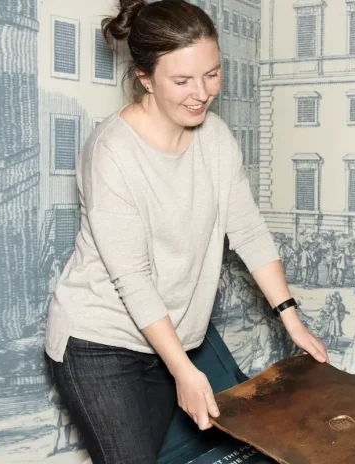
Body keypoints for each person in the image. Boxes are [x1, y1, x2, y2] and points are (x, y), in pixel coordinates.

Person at [43, 1, 329, 463]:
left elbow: (249, 232)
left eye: (211, 74)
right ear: (144, 77)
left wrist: (291, 319)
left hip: (167, 340)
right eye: (181, 81)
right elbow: (132, 277)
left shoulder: (215, 138)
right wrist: (184, 370)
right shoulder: (111, 152)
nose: (201, 93)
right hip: (99, 343)